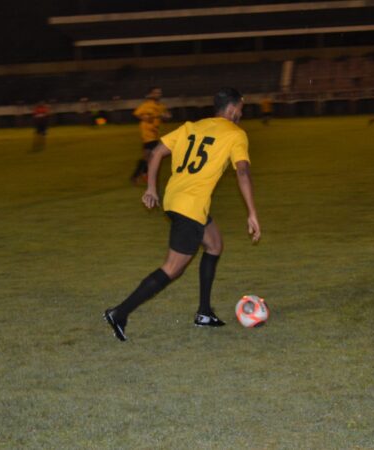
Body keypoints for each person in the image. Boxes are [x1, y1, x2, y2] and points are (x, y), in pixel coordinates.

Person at [104, 88, 261, 342]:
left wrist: (152, 188)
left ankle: (204, 313)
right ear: (232, 109)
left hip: (175, 199)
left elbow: (156, 152)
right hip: (190, 207)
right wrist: (252, 213)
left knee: (214, 244)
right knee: (172, 269)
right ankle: (119, 313)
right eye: (240, 110)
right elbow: (242, 172)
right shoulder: (235, 134)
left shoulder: (191, 127)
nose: (241, 114)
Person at [131, 87, 171, 185]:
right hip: (147, 134)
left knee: (149, 157)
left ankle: (140, 174)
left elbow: (168, 116)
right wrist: (145, 117)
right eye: (156, 93)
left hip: (155, 134)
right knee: (151, 155)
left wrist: (166, 117)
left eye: (159, 93)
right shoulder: (146, 105)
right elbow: (137, 114)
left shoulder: (161, 106)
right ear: (151, 94)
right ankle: (140, 175)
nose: (158, 94)